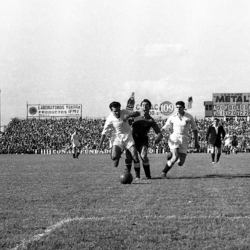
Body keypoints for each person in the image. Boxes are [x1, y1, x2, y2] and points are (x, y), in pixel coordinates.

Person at [124, 99, 163, 179]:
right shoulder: (135, 116)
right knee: (129, 158)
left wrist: (158, 137)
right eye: (143, 105)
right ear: (140, 107)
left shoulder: (151, 120)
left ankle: (148, 176)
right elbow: (126, 121)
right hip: (132, 138)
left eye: (146, 105)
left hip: (143, 140)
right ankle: (130, 175)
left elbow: (158, 132)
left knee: (144, 156)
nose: (144, 107)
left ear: (150, 107)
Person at [160, 101, 200, 178]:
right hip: (175, 137)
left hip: (184, 139)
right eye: (177, 107)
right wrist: (160, 134)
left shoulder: (189, 117)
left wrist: (196, 142)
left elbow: (195, 129)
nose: (178, 109)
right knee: (175, 157)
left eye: (180, 107)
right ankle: (164, 172)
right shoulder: (172, 117)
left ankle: (171, 154)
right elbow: (166, 127)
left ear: (184, 108)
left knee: (180, 163)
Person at [98, 101, 141, 171]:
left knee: (135, 156)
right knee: (114, 157)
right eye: (115, 111)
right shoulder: (109, 119)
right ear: (111, 111)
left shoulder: (124, 112)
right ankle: (117, 156)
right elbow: (104, 132)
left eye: (118, 110)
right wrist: (100, 144)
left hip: (128, 137)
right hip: (118, 139)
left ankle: (138, 176)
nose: (117, 113)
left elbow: (138, 113)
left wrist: (129, 116)